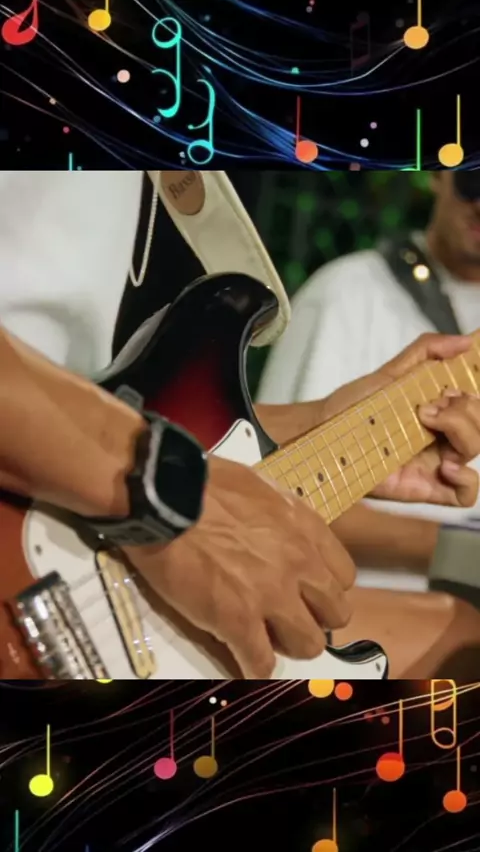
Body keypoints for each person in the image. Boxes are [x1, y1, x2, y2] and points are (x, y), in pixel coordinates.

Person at [3, 170, 480, 680]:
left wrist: (317, 424)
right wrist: (170, 501)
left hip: (86, 550)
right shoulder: (354, 289)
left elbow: (90, 383)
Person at [258, 172, 480, 595]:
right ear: (438, 173)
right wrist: (462, 553)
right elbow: (269, 486)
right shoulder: (348, 292)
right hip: (355, 610)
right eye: (475, 179)